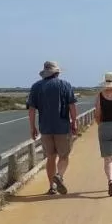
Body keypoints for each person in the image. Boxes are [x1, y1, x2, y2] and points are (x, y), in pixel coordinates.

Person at [26, 61, 78, 195]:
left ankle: (52, 187)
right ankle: (59, 176)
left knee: (50, 157)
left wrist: (32, 127)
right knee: (64, 156)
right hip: (62, 127)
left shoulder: (36, 86)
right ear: (57, 72)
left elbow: (31, 109)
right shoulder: (65, 85)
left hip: (45, 128)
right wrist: (74, 122)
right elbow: (72, 106)